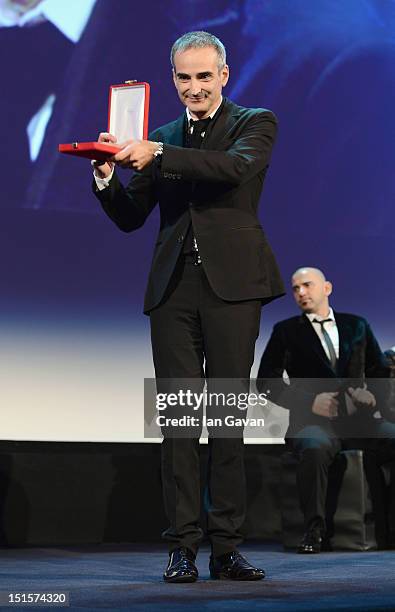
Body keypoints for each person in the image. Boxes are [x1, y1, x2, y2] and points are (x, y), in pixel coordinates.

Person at [92, 31, 284, 582]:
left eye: (204, 76)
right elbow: (132, 215)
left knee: (225, 420)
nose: (194, 87)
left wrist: (160, 154)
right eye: (184, 77)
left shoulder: (255, 122)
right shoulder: (162, 134)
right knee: (178, 422)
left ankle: (226, 547)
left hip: (234, 289)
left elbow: (232, 170)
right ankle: (181, 547)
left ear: (224, 75)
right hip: (173, 290)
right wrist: (106, 179)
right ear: (173, 79)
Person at [257, 267, 395, 553]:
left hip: (359, 422)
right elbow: (266, 382)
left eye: (307, 285)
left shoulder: (356, 325)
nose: (300, 293)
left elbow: (379, 370)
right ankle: (314, 530)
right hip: (313, 422)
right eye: (295, 288)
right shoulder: (286, 331)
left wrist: (371, 396)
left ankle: (390, 527)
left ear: (327, 288)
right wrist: (308, 401)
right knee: (315, 446)